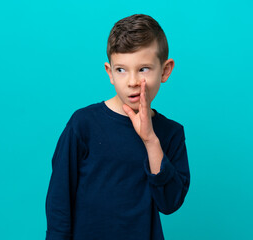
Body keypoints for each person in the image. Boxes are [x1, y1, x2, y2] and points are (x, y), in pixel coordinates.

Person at [45, 14, 190, 240]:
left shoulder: (171, 134)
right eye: (121, 69)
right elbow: (59, 197)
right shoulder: (83, 125)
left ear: (165, 70)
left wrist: (151, 140)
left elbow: (169, 203)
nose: (132, 81)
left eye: (143, 69)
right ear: (109, 72)